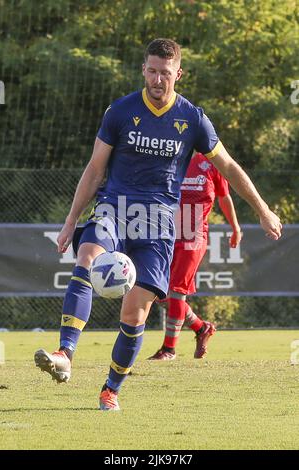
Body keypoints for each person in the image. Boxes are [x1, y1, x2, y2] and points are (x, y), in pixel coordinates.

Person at [34, 38, 282, 411]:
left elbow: (228, 167)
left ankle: (110, 389)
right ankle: (65, 353)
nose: (157, 79)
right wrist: (71, 221)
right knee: (86, 257)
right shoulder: (119, 112)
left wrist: (263, 209)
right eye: (151, 71)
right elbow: (95, 169)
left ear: (177, 74)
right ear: (143, 70)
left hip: (158, 224)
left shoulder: (192, 118)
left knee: (134, 316)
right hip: (114, 209)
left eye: (165, 73)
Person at [148, 152, 242, 361]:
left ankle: (169, 349)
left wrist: (235, 227)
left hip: (194, 237)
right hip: (166, 236)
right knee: (159, 294)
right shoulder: (168, 158)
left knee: (178, 291)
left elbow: (224, 196)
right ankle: (201, 328)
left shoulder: (211, 163)